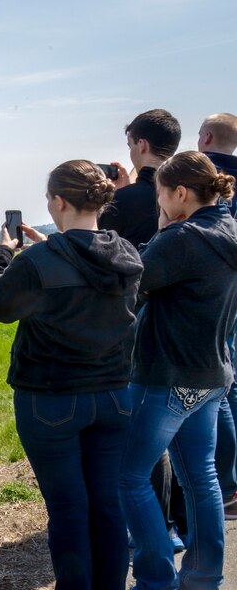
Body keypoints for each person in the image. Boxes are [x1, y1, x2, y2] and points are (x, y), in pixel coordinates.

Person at [0, 160, 143, 589]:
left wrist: (2, 253)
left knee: (69, 509)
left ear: (57, 201)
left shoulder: (38, 260)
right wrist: (49, 247)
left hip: (50, 397)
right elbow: (87, 263)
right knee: (107, 505)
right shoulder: (125, 252)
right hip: (113, 394)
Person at [119, 151, 237, 590]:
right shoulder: (228, 231)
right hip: (212, 374)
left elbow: (132, 285)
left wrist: (162, 232)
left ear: (180, 193)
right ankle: (204, 578)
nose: (160, 203)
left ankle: (155, 580)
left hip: (167, 375)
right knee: (201, 478)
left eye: (161, 195)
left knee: (127, 476)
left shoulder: (182, 238)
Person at [99, 108, 186, 550]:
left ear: (141, 145)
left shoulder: (125, 201)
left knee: (135, 426)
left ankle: (145, 526)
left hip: (128, 318)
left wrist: (118, 193)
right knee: (172, 433)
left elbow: (102, 251)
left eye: (131, 141)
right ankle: (172, 522)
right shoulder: (183, 194)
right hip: (178, 321)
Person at [198, 113, 237, 520]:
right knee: (230, 379)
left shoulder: (202, 175)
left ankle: (226, 482)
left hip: (204, 293)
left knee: (218, 388)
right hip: (232, 291)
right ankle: (230, 480)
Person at [99, 109, 182, 249]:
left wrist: (119, 196)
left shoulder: (119, 201)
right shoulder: (190, 195)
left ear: (142, 145)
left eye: (130, 145)